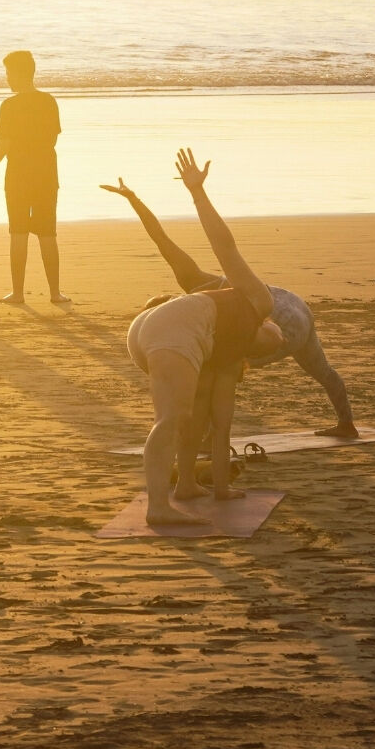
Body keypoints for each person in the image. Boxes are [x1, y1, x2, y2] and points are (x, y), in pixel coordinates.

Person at [100, 177, 357, 438]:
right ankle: (346, 424)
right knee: (322, 370)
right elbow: (161, 239)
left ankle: (212, 437)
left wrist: (135, 200)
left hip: (276, 318)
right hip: (292, 302)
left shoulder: (194, 308)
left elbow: (162, 240)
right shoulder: (193, 283)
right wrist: (134, 200)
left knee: (217, 369)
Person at [123, 150, 285, 526]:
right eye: (279, 330)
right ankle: (158, 508)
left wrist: (222, 487)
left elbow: (221, 421)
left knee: (186, 415)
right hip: (170, 327)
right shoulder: (258, 301)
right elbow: (225, 247)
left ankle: (185, 486)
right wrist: (198, 194)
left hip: (159, 333)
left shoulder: (225, 354)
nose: (281, 331)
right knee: (170, 419)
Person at [0, 50, 68, 306]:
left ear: (18, 73)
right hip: (46, 174)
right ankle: (55, 293)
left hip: (17, 175)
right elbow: (52, 139)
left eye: (8, 73)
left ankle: (17, 293)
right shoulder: (49, 101)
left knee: (18, 233)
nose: (7, 78)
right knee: (47, 233)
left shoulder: (9, 106)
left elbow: (4, 144)